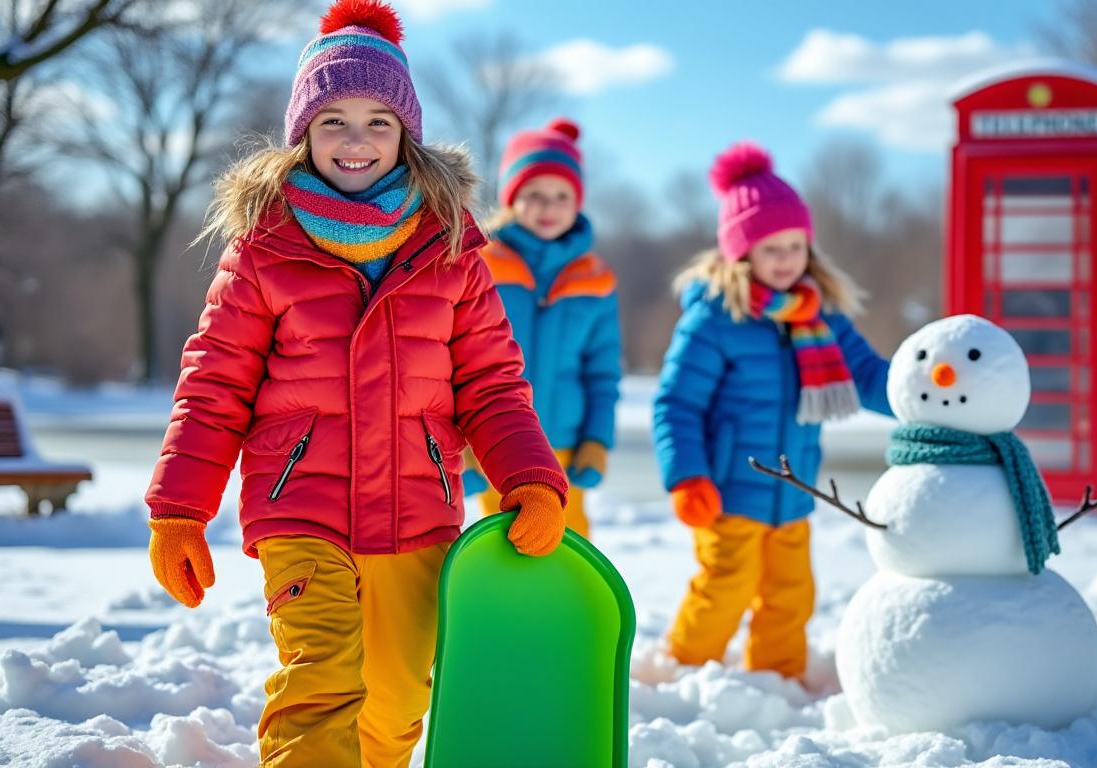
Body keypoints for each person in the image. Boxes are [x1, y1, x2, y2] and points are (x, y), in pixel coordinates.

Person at [143, 2, 568, 765]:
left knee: (397, 699)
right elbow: (213, 385)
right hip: (299, 506)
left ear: (407, 133)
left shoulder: (450, 249)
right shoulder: (266, 247)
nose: (356, 139)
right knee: (322, 678)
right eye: (333, 120)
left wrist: (530, 479)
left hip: (417, 507)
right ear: (303, 131)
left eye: (379, 121)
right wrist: (180, 509)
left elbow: (493, 385)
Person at [652, 141, 894, 679]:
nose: (786, 259)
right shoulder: (716, 319)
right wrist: (686, 476)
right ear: (741, 253)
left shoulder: (821, 316)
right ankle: (683, 671)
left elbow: (866, 374)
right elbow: (676, 404)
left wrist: (918, 394)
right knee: (725, 588)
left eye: (795, 246)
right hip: (727, 490)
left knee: (791, 593)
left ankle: (778, 679)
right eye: (771, 248)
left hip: (794, 488)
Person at [464, 117, 622, 540]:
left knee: (568, 547)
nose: (548, 207)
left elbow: (603, 372)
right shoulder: (479, 265)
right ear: (511, 197)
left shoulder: (595, 279)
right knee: (502, 545)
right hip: (494, 444)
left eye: (561, 195)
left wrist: (597, 439)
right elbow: (453, 362)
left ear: (578, 200)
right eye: (534, 194)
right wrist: (459, 447)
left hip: (565, 444)